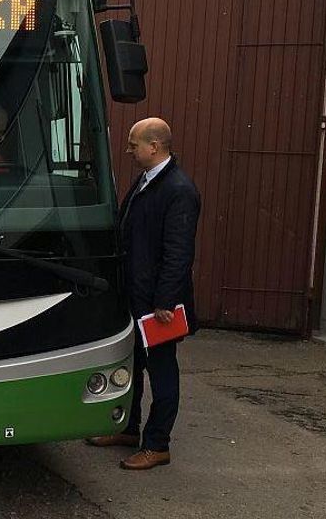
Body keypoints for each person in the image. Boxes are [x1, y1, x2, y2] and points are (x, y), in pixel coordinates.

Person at [86, 117, 200, 471]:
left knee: (163, 372)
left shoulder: (179, 189)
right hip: (134, 298)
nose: (129, 149)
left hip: (157, 307)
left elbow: (178, 252)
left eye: (134, 144)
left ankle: (157, 444)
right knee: (132, 365)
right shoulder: (148, 180)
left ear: (155, 146)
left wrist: (165, 301)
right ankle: (127, 428)